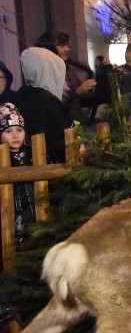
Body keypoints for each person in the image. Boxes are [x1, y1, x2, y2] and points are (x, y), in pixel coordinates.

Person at [13, 47, 75, 163]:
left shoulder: (24, 95)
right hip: (49, 173)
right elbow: (55, 145)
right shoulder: (45, 104)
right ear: (50, 71)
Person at [35, 30, 96, 123]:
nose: (68, 49)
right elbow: (55, 100)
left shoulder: (65, 68)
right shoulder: (45, 73)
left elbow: (77, 98)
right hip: (59, 124)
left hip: (73, 120)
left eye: (67, 45)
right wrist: (79, 91)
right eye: (62, 46)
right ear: (49, 48)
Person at [0, 103, 35, 243]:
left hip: (35, 211)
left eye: (19, 130)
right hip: (8, 214)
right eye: (8, 131)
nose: (15, 135)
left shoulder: (35, 154)